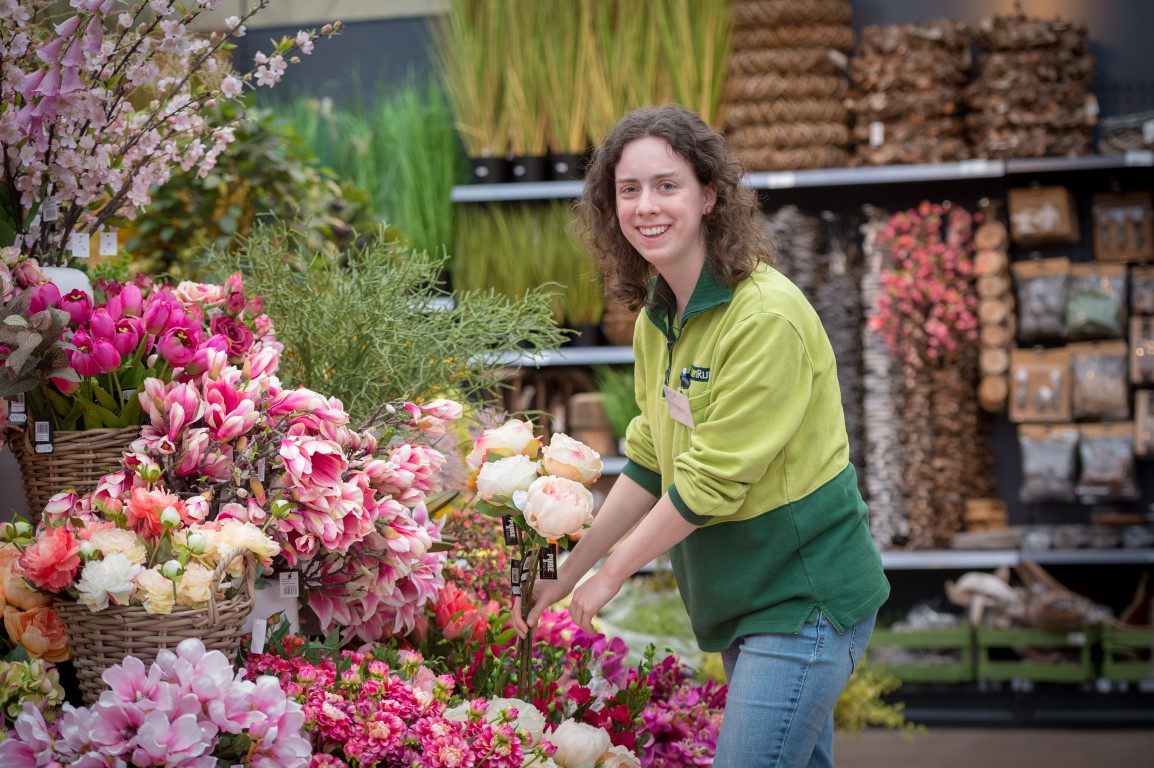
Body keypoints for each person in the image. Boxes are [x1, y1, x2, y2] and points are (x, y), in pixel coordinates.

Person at [512, 104, 890, 767]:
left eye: (666, 185)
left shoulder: (763, 317)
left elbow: (710, 484)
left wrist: (613, 577)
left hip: (802, 600)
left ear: (710, 194)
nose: (645, 206)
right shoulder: (657, 318)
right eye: (628, 190)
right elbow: (651, 464)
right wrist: (568, 574)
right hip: (744, 600)